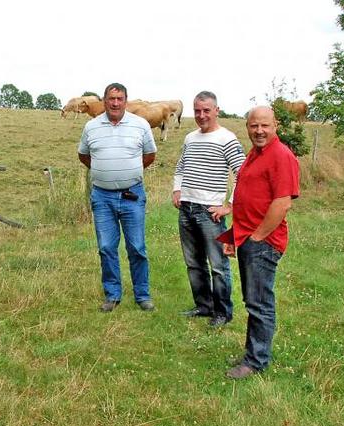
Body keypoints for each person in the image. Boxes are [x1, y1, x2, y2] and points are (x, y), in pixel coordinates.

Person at [218, 106, 300, 379]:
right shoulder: (255, 154)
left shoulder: (281, 156)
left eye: (264, 125)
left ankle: (256, 362)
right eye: (254, 126)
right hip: (248, 238)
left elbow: (282, 203)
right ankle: (253, 353)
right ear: (247, 127)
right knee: (252, 300)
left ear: (275, 125)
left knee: (260, 303)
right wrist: (233, 236)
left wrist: (257, 237)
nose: (259, 131)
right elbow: (245, 198)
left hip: (263, 242)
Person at [78, 83, 158, 312]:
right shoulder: (91, 127)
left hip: (132, 194)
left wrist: (130, 172)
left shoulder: (140, 124)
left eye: (119, 99)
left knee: (137, 247)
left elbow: (150, 155)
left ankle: (142, 294)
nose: (115, 103)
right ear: (104, 101)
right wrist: (104, 171)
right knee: (106, 247)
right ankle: (112, 294)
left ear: (125, 100)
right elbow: (83, 155)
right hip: (102, 197)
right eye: (111, 98)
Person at [172, 91, 246, 327]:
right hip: (186, 208)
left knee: (218, 265)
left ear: (217, 111)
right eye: (197, 111)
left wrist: (229, 206)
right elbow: (181, 166)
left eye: (206, 110)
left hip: (209, 212)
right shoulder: (190, 138)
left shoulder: (227, 139)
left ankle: (223, 312)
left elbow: (243, 174)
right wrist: (177, 190)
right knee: (193, 263)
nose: (201, 115)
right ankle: (204, 306)